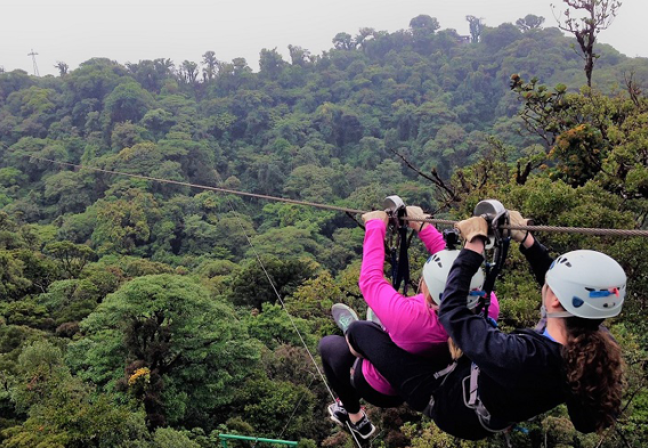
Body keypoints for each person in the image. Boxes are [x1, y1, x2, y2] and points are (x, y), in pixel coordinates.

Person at [344, 209, 626, 440]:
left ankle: (358, 378)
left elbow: (453, 312)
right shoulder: (591, 347)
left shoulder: (519, 354)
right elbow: (585, 423)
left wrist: (474, 244)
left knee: (360, 332)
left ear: (554, 300)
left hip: (446, 404)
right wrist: (527, 241)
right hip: (480, 402)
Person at [318, 206, 500, 439]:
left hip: (381, 386)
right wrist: (422, 226)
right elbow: (456, 270)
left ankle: (353, 414)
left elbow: (371, 280)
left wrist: (375, 226)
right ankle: (372, 336)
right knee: (366, 333)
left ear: (427, 291)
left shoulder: (411, 317)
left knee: (332, 347)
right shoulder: (486, 304)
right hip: (431, 380)